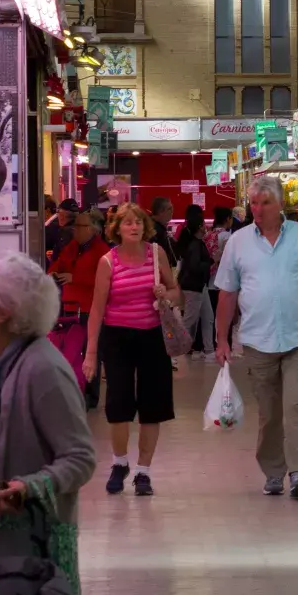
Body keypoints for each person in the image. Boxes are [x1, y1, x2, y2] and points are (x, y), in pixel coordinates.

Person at [214, 174, 298, 500]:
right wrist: (221, 338)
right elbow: (227, 294)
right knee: (270, 411)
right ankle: (274, 471)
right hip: (258, 340)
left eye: (265, 203)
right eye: (254, 204)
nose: (257, 210)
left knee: (296, 404)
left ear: (280, 205)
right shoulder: (238, 242)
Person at [0, 253, 96, 595]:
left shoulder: (44, 370)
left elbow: (79, 458)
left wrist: (27, 487)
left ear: (2, 312)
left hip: (33, 546)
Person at [83, 204, 180, 497]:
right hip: (118, 339)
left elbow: (178, 293)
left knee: (153, 405)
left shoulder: (156, 255)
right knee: (119, 403)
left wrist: (167, 294)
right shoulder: (108, 262)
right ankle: (119, 462)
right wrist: (90, 353)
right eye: (127, 223)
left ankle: (144, 472)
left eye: (138, 222)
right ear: (117, 229)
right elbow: (97, 309)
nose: (134, 227)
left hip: (153, 337)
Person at [49, 208, 109, 408]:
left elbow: (106, 281)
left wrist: (75, 278)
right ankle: (73, 390)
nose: (75, 230)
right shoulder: (73, 246)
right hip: (69, 307)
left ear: (93, 229)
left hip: (90, 308)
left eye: (80, 226)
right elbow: (57, 265)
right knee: (71, 351)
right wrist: (54, 273)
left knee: (91, 352)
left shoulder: (102, 251)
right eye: (75, 226)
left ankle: (90, 395)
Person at [175, 205, 215, 359]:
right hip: (194, 287)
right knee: (190, 320)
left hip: (198, 286)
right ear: (200, 226)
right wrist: (212, 261)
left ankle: (209, 349)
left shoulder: (192, 242)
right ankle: (177, 349)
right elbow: (195, 266)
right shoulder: (196, 245)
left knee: (207, 317)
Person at [44, 197, 79, 265]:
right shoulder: (79, 229)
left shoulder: (65, 232)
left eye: (58, 213)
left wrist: (54, 257)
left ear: (62, 215)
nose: (57, 216)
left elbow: (64, 259)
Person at [150, 197, 177, 268]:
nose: (172, 211)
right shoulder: (153, 230)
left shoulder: (160, 227)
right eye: (169, 209)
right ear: (160, 211)